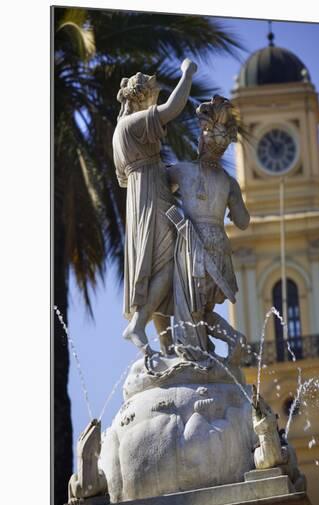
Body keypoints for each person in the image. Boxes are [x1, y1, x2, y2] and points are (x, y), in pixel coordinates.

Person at [113, 59, 197, 355]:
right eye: (153, 94)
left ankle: (166, 343)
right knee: (171, 261)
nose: (156, 99)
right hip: (151, 196)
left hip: (141, 196)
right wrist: (187, 74)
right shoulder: (135, 123)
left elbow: (125, 178)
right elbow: (174, 109)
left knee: (156, 266)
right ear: (142, 96)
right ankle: (138, 323)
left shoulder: (119, 132)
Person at [167, 95, 250, 364]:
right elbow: (243, 221)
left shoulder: (182, 171)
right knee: (201, 310)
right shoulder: (229, 182)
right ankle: (230, 341)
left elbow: (157, 189)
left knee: (191, 309)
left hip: (193, 246)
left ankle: (202, 355)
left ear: (201, 141)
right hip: (219, 246)